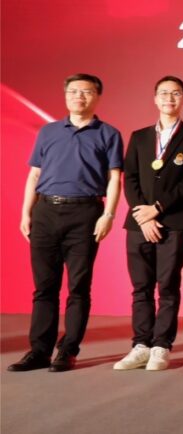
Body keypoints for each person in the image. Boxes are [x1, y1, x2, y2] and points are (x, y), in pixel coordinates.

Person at [8, 73, 123, 372]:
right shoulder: (48, 132)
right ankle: (39, 351)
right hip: (45, 212)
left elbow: (114, 178)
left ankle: (68, 351)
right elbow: (34, 174)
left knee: (78, 287)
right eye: (73, 91)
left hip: (85, 214)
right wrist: (26, 213)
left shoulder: (108, 133)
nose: (79, 96)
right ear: (65, 95)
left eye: (86, 91)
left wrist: (108, 215)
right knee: (44, 287)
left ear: (97, 96)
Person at [114, 76, 183, 371]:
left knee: (168, 285)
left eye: (175, 93)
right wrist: (142, 215)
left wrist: (157, 209)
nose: (169, 98)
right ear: (155, 98)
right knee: (141, 287)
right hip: (138, 223)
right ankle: (141, 345)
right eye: (164, 93)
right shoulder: (140, 136)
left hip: (174, 221)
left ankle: (161, 346)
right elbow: (129, 178)